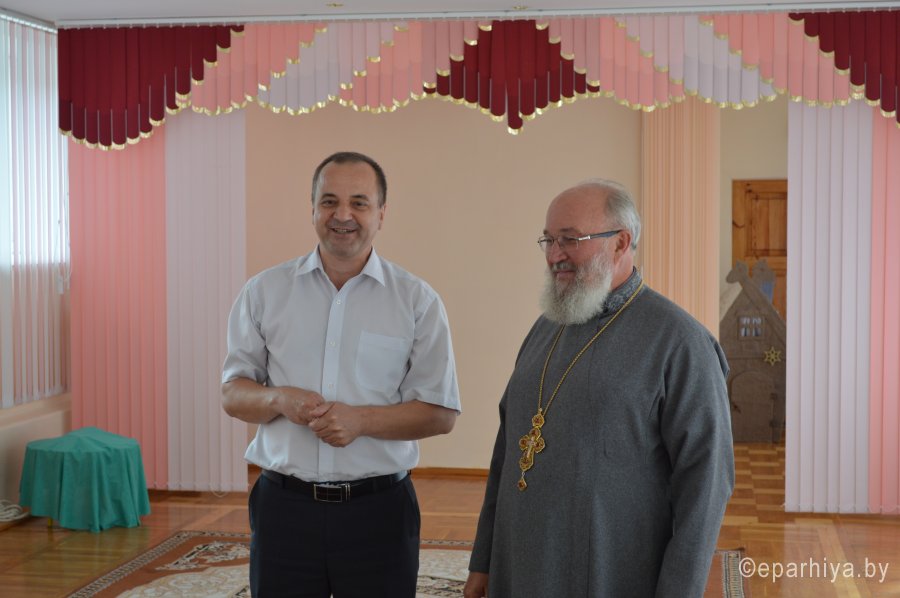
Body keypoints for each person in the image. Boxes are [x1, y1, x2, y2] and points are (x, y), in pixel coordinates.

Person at [463, 179, 734, 598]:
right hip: (519, 565)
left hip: (612, 571)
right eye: (549, 240)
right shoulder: (546, 328)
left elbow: (706, 486)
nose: (555, 255)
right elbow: (508, 450)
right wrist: (483, 560)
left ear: (620, 242)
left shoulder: (681, 342)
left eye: (570, 240)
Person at [222, 151, 461, 598]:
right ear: (312, 208)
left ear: (382, 213)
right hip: (284, 511)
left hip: (380, 515)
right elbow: (233, 393)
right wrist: (278, 399)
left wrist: (360, 421)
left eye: (359, 202)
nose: (343, 215)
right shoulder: (264, 292)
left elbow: (440, 413)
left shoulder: (417, 301)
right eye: (329, 201)